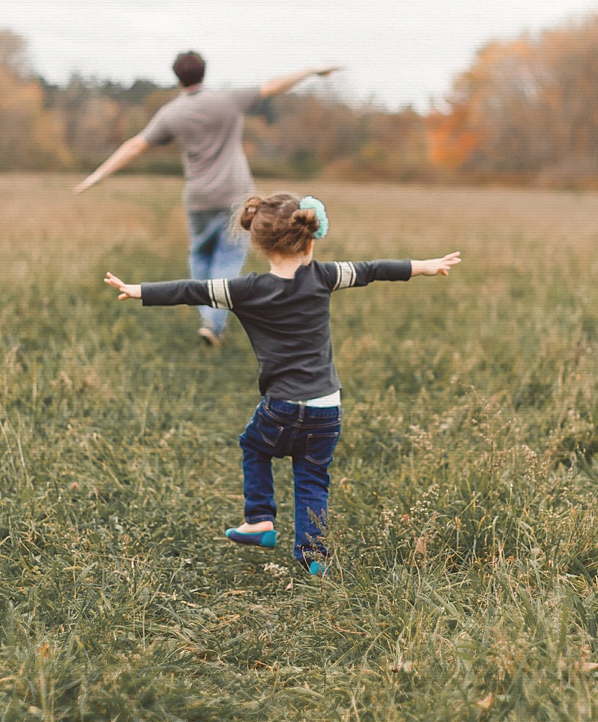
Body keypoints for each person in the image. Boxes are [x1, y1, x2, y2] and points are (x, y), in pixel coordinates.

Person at [103, 192, 460, 576]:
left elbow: (193, 290)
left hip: (283, 406)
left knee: (253, 445)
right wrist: (426, 265)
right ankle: (314, 557)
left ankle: (259, 519)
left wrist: (139, 290)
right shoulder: (325, 276)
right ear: (309, 237)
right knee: (312, 477)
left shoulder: (245, 290)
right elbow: (373, 270)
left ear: (259, 244)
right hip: (327, 407)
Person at [74, 51, 341, 348]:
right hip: (237, 196)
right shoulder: (227, 100)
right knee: (228, 258)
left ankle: (208, 312)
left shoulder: (171, 113)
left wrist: (97, 175)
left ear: (178, 77)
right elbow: (274, 85)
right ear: (204, 72)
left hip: (199, 198)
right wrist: (311, 71)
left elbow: (136, 145)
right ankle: (212, 322)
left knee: (199, 255)